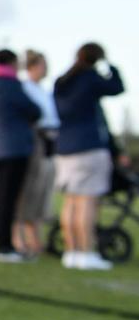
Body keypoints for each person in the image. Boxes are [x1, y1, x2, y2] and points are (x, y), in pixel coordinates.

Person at [54, 42, 124, 271]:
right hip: (89, 147)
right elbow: (117, 87)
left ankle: (71, 252)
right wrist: (109, 65)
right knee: (88, 202)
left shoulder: (61, 82)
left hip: (65, 149)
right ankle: (87, 252)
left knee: (71, 201)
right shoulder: (91, 78)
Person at [0, 49, 41, 262]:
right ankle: (5, 246)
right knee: (8, 199)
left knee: (2, 197)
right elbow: (35, 111)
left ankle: (2, 242)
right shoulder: (11, 86)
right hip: (16, 147)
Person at [13, 49, 59, 257]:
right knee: (27, 190)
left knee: (43, 191)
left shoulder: (45, 91)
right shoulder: (25, 88)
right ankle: (17, 236)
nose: (46, 68)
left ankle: (34, 238)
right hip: (35, 140)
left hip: (51, 141)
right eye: (42, 64)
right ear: (31, 66)